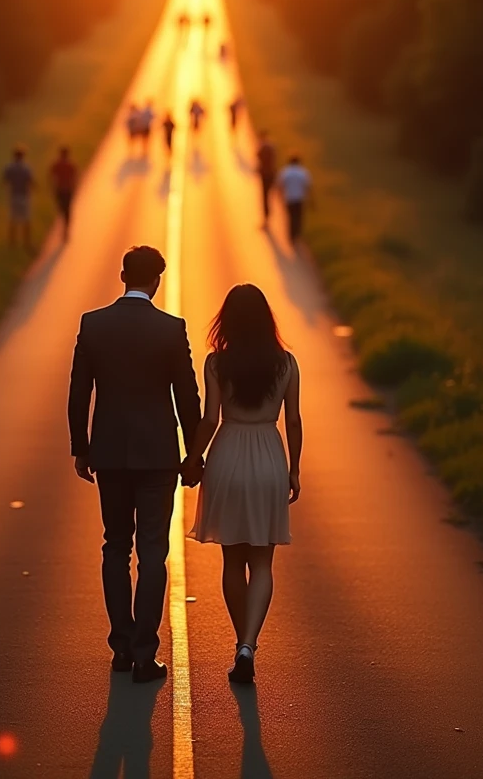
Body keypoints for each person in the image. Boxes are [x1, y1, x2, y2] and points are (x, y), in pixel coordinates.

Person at [68, 246, 202, 684]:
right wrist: (194, 453)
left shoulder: (93, 324)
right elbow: (187, 397)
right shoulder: (170, 329)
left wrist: (82, 448)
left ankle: (121, 647)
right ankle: (146, 654)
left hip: (109, 454)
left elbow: (78, 393)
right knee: (152, 554)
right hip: (158, 457)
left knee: (115, 546)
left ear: (122, 275)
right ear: (157, 281)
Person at [182, 285, 302, 684]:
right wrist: (294, 469)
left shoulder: (217, 364)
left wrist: (194, 457)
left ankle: (241, 643)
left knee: (233, 560)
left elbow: (210, 419)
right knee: (263, 562)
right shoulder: (286, 364)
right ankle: (249, 643)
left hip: (229, 455)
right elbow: (295, 421)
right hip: (269, 454)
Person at [3, 145, 35, 250]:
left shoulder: (9, 168)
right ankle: (27, 242)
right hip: (24, 195)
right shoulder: (26, 168)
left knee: (13, 219)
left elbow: (5, 181)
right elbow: (31, 181)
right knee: (26, 220)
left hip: (14, 195)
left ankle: (12, 241)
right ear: (23, 156)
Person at [278, 155, 313, 243]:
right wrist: (311, 200)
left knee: (290, 217)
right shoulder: (303, 173)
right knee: (298, 217)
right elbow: (307, 187)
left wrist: (280, 197)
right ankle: (297, 234)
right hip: (300, 198)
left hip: (289, 198)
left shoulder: (286, 172)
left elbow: (280, 186)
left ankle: (291, 235)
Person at [49, 146, 78, 242]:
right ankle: (66, 229)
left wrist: (53, 188)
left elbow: (52, 177)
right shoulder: (71, 165)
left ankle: (62, 228)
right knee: (67, 211)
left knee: (61, 209)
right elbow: (74, 178)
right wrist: (74, 189)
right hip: (68, 190)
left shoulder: (56, 165)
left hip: (59, 190)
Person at [256, 132, 277, 225]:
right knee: (268, 195)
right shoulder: (272, 147)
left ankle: (266, 216)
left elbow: (258, 156)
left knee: (265, 196)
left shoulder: (262, 147)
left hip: (265, 174)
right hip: (271, 173)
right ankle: (268, 214)